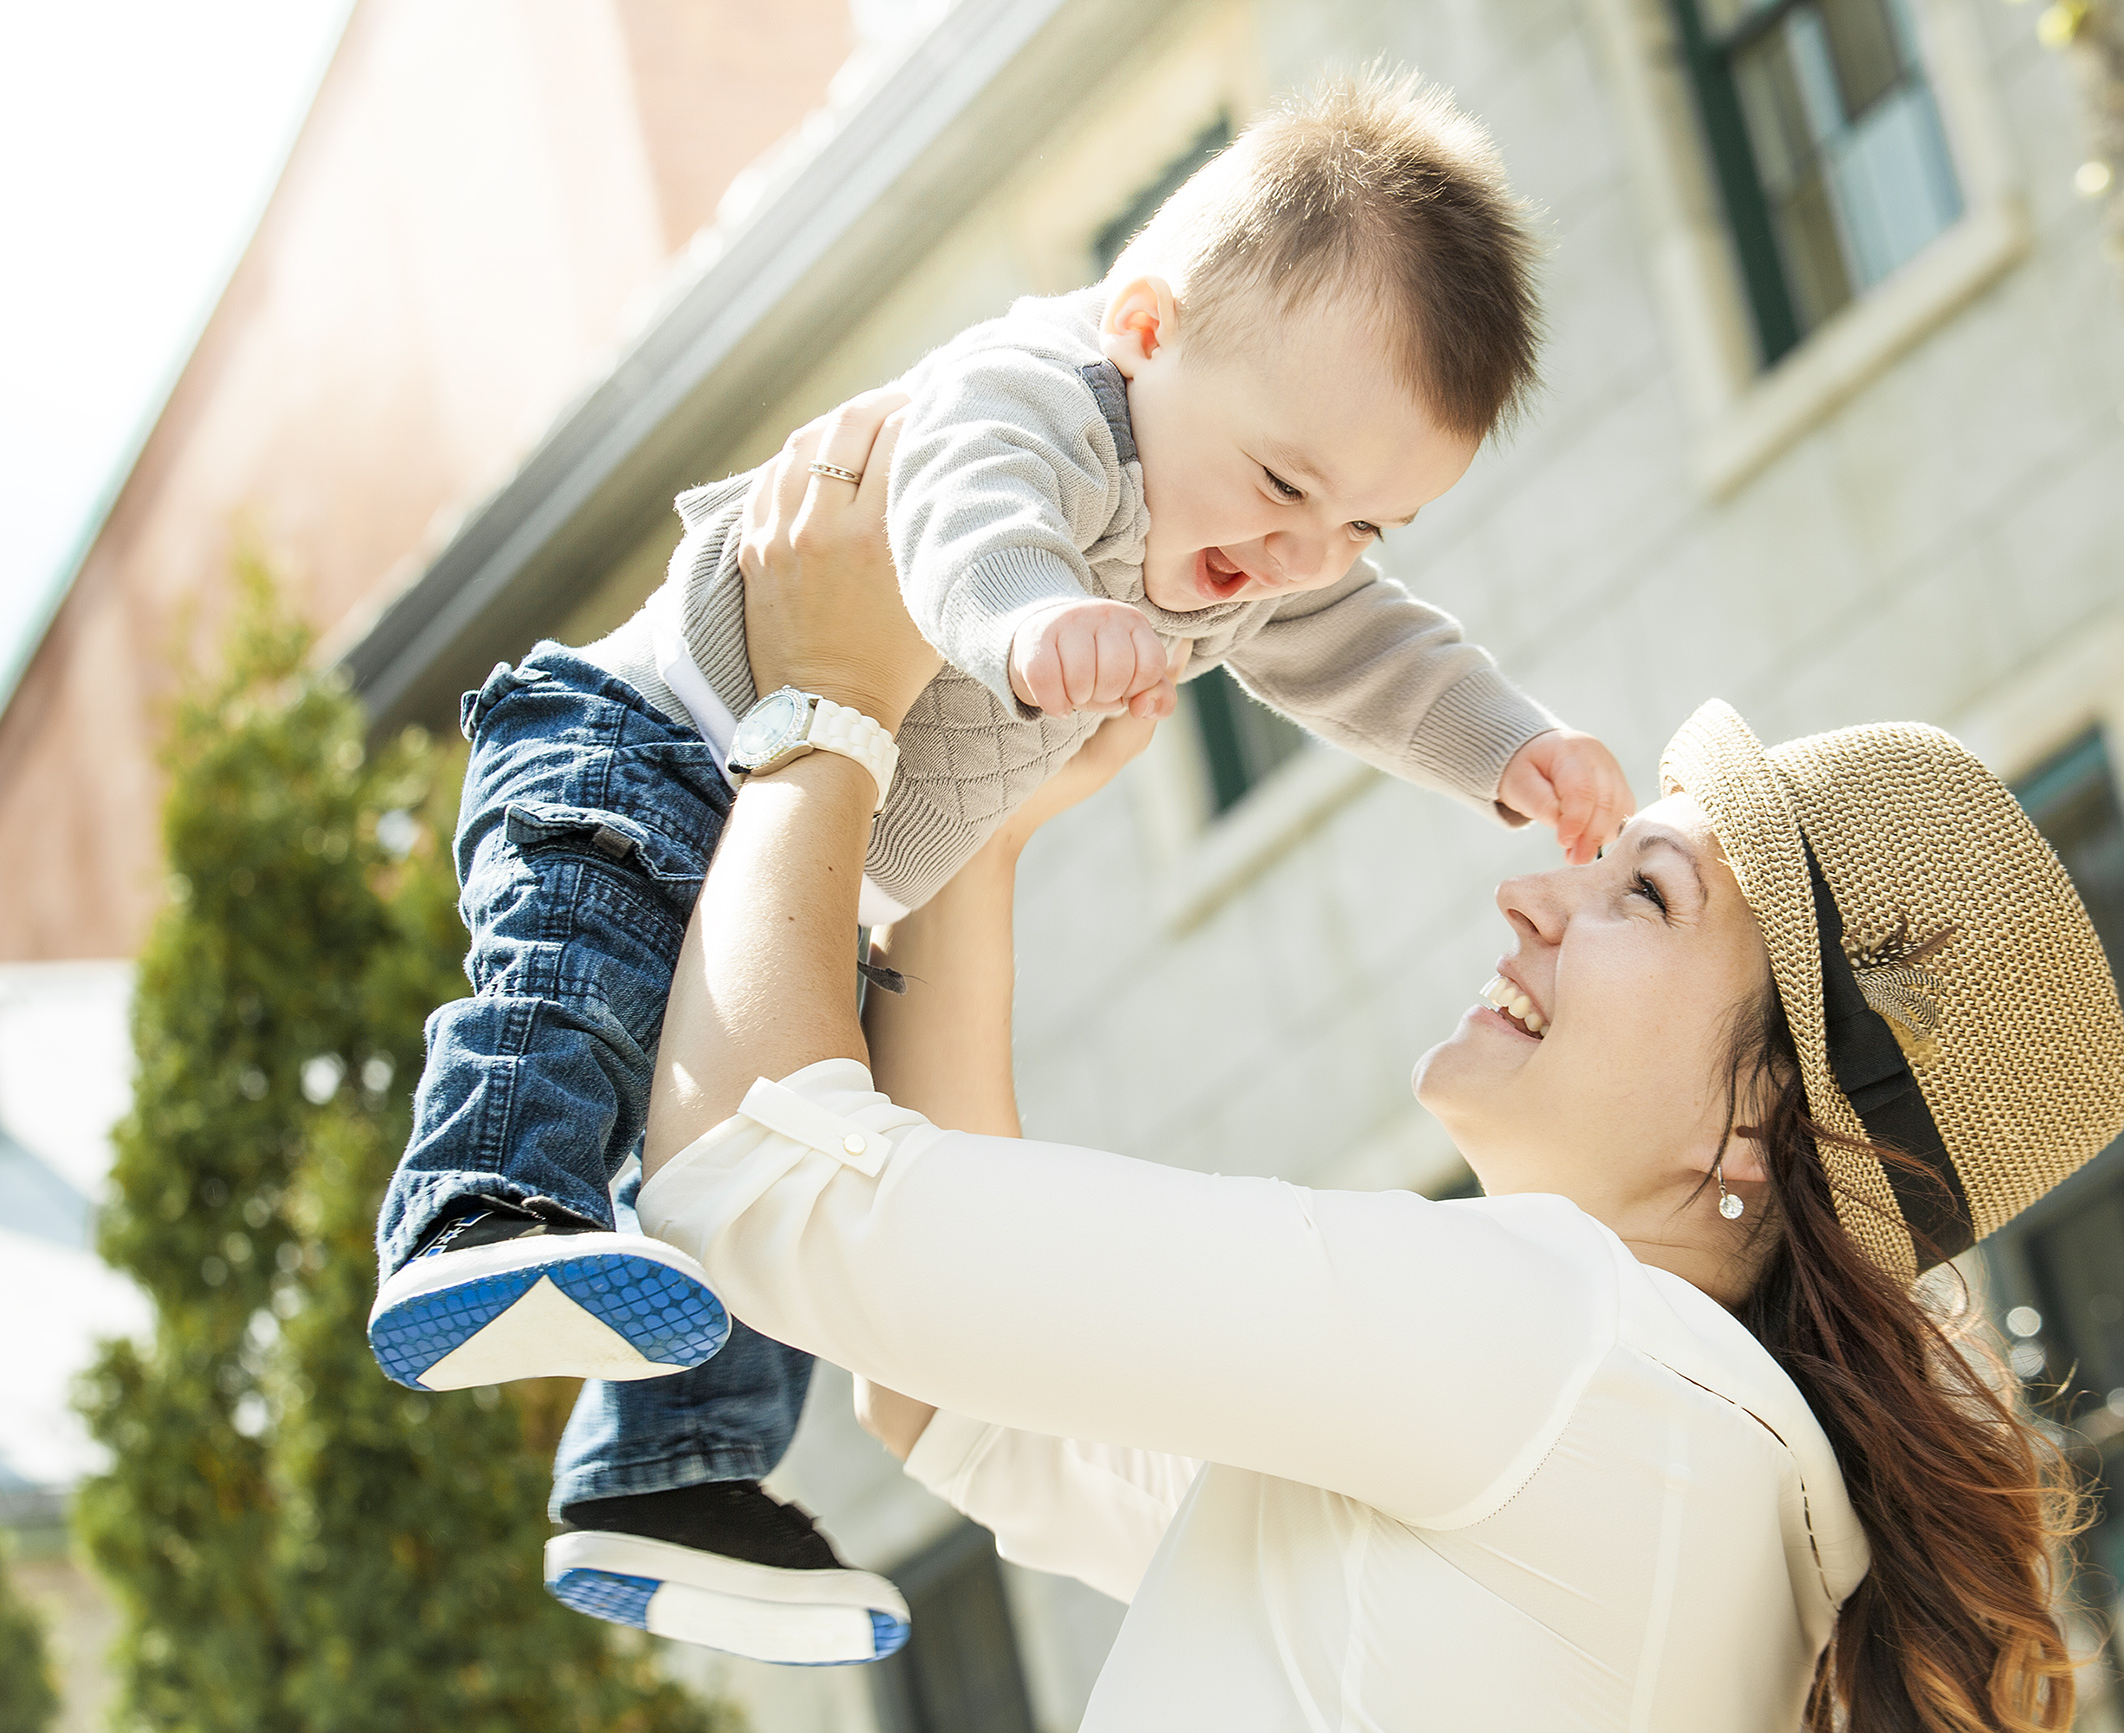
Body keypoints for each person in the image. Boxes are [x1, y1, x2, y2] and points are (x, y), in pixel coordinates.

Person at [592, 398, 2124, 1729]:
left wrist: (828, 703)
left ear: (1762, 1127)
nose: (1534, 889)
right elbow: (971, 1406)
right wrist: (977, 825)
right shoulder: (1692, 1476)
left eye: (1646, 895)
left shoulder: (1563, 1345)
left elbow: (763, 1186)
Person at [365, 71, 1638, 1661]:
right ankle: (480, 1206)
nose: (1301, 557)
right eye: (1288, 488)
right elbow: (965, 512)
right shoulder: (1040, 392)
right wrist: (1032, 622)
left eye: (1363, 525)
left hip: (809, 853)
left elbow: (1381, 652)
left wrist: (1509, 745)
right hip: (644, 746)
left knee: (768, 1150)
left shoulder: (1254, 547)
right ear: (1150, 328)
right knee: (582, 977)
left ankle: (667, 1476)